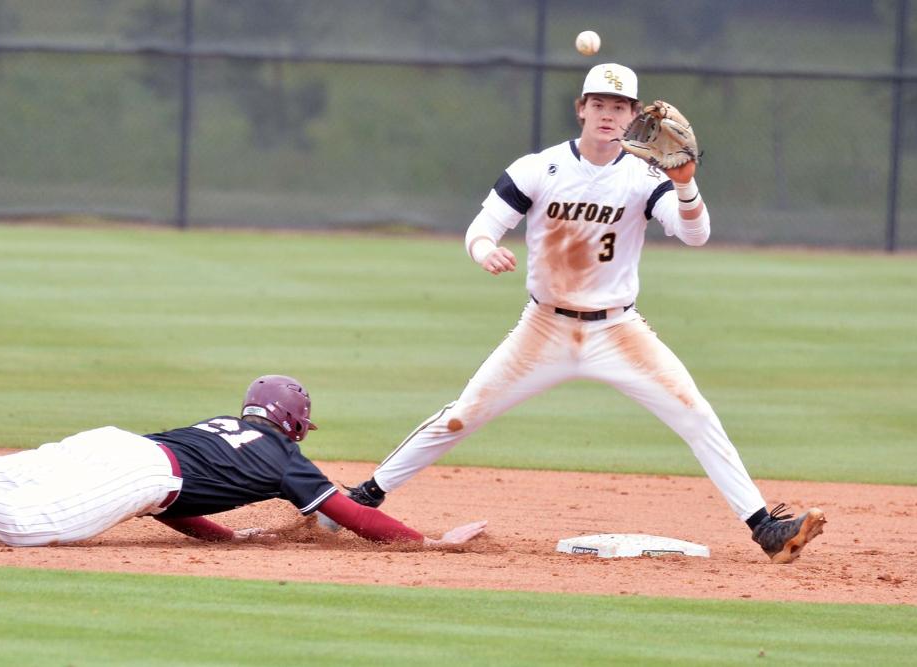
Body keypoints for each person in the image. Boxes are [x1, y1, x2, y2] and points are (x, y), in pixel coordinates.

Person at [335, 63, 825, 564]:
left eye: (619, 107)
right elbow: (481, 229)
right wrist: (485, 252)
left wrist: (686, 184)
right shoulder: (537, 168)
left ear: (635, 117)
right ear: (581, 109)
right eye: (599, 105)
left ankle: (764, 527)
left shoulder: (644, 176)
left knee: (696, 415)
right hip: (544, 328)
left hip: (618, 330)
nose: (608, 115)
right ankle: (362, 498)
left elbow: (694, 233)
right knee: (462, 416)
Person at [0, 377, 486, 548]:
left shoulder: (223, 429)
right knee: (27, 526)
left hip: (121, 445)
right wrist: (425, 544)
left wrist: (228, 538)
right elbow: (352, 512)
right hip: (143, 472)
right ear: (296, 425)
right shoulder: (282, 459)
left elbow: (179, 507)